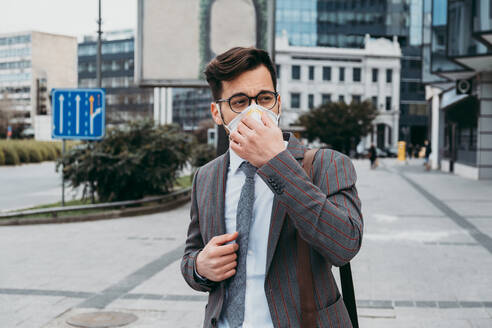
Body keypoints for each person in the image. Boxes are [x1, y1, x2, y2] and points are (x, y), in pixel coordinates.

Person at [181, 47, 363, 328]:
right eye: (240, 102)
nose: (255, 110)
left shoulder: (326, 164)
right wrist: (200, 267)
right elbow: (191, 255)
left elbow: (344, 246)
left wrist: (277, 162)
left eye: (265, 98)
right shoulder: (206, 177)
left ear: (278, 103)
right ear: (217, 113)